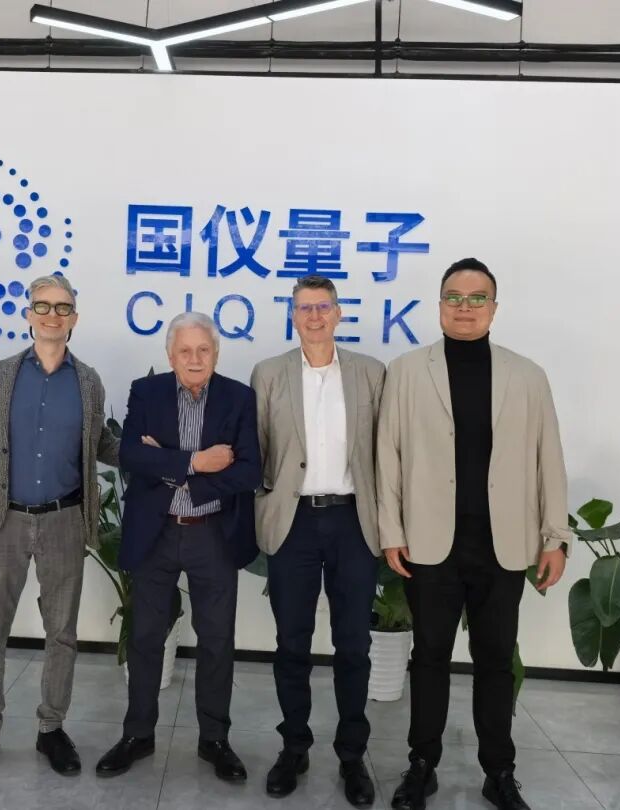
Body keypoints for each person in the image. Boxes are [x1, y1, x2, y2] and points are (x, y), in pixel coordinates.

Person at [377, 258, 570, 810]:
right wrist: (391, 530)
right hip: (429, 543)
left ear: (494, 307)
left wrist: (555, 537)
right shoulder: (407, 371)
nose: (465, 307)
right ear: (439, 305)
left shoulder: (527, 376)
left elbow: (549, 459)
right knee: (429, 657)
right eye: (454, 297)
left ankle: (499, 771)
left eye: (477, 298)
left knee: (495, 660)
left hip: (502, 545)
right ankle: (421, 765)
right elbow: (388, 455)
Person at [0, 274, 119, 781]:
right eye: (42, 306)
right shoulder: (2, 374)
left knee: (62, 633)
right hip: (3, 518)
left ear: (74, 318)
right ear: (29, 314)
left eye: (62, 307)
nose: (52, 315)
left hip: (65, 519)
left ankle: (52, 728)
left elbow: (100, 444)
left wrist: (154, 454)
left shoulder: (88, 381)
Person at [95, 312, 261, 784]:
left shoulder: (238, 397)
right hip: (157, 533)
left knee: (217, 641)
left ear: (216, 354)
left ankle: (215, 740)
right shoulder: (146, 392)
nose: (194, 358)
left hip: (212, 534)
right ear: (170, 355)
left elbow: (248, 470)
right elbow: (132, 455)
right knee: (146, 637)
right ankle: (137, 735)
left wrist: (170, 466)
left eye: (203, 350)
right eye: (185, 351)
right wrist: (198, 462)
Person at [250, 275, 385, 806]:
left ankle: (352, 756)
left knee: (354, 645)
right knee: (292, 642)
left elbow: (384, 452)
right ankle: (294, 748)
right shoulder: (269, 373)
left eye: (323, 306)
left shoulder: (370, 373)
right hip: (295, 522)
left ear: (338, 313)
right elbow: (257, 448)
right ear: (292, 315)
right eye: (304, 308)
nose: (314, 316)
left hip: (353, 522)